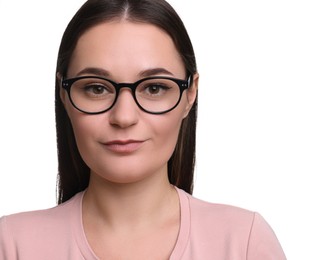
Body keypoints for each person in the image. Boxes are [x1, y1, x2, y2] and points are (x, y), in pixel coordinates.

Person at [0, 0, 286, 259]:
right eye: (97, 88)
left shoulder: (244, 242)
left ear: (190, 94)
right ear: (64, 95)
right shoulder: (11, 244)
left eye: (154, 87)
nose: (123, 117)